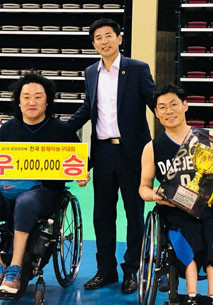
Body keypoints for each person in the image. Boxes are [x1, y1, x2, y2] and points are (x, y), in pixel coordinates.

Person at [68, 18, 156, 294]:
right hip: (103, 152)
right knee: (102, 216)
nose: (104, 41)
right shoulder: (90, 72)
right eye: (98, 38)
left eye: (108, 35)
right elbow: (87, 109)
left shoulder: (138, 69)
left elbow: (155, 103)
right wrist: (59, 129)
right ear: (93, 44)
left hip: (133, 153)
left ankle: (131, 271)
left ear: (119, 38)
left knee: (134, 214)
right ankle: (105, 270)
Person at [139, 84, 213, 305]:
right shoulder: (152, 148)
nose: (169, 111)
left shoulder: (209, 138)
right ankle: (190, 296)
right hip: (176, 211)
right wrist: (154, 195)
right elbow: (143, 188)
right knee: (187, 234)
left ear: (185, 105)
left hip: (212, 210)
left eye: (174, 105)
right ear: (156, 113)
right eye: (162, 107)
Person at [0, 72, 80, 295]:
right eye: (26, 97)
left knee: (26, 201)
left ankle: (15, 268)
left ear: (47, 101)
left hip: (44, 194)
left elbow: (80, 162)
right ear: (19, 101)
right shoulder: (8, 129)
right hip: (8, 189)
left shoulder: (62, 131)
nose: (32, 102)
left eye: (38, 97)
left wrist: (81, 175)